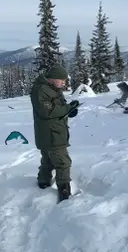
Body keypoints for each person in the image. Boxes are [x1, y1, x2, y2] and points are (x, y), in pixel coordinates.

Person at [30, 63, 79, 202]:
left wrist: (70, 109)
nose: (64, 83)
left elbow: (57, 107)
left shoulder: (52, 88)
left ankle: (43, 182)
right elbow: (47, 110)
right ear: (52, 78)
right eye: (62, 80)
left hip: (53, 132)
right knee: (63, 162)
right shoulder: (41, 90)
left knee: (48, 160)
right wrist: (67, 108)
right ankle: (64, 191)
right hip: (51, 134)